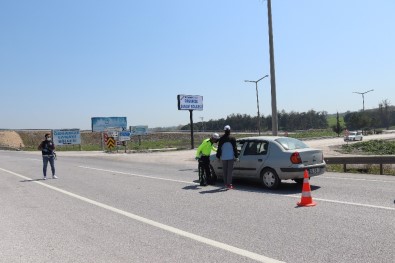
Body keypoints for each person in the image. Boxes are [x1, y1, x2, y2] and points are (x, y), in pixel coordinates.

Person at [216, 125, 238, 189]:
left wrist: (218, 156)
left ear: (224, 131)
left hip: (223, 157)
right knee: (229, 171)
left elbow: (219, 148)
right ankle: (229, 184)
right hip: (230, 157)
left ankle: (226, 183)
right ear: (230, 130)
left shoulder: (221, 138)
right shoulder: (233, 138)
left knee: (225, 171)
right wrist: (236, 156)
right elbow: (235, 148)